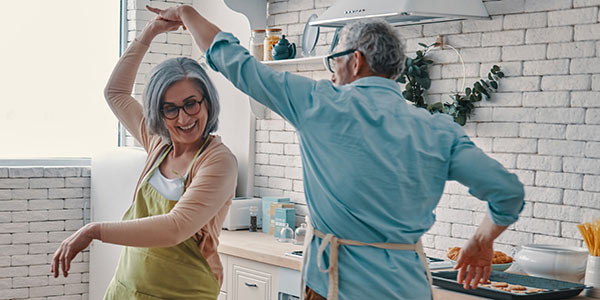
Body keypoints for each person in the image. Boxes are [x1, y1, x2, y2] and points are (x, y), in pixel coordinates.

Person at [147, 5, 525, 300]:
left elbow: (235, 62)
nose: (331, 72)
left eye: (335, 60)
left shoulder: (319, 103)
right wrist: (481, 241)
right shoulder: (437, 129)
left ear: (355, 60)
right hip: (409, 287)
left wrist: (186, 13)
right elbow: (508, 193)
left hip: (334, 287)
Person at [51, 16, 238, 299]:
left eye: (191, 104)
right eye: (170, 109)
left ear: (207, 102)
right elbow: (115, 92)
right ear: (158, 114)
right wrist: (149, 33)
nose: (184, 117)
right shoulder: (158, 144)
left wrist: (93, 231)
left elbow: (175, 228)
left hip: (183, 293)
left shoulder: (218, 161)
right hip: (127, 289)